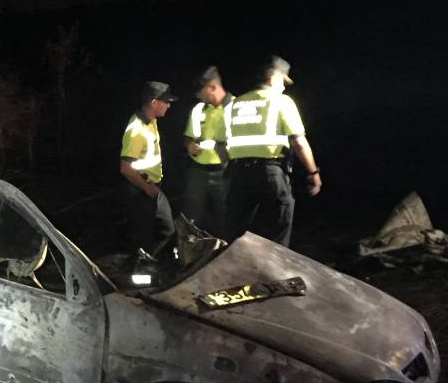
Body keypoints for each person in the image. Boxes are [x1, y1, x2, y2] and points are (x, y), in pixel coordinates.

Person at [222, 56, 323, 247]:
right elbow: (298, 141)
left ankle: (231, 272)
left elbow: (223, 143)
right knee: (279, 226)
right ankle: (273, 273)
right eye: (283, 81)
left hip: (238, 175)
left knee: (234, 232)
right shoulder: (281, 101)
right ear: (273, 78)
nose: (284, 87)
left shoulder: (235, 104)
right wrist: (313, 173)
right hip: (270, 174)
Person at [119, 81, 177, 258]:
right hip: (141, 191)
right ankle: (138, 275)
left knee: (168, 229)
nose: (169, 105)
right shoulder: (136, 129)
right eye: (165, 101)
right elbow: (125, 168)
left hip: (153, 189)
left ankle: (150, 263)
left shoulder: (151, 121)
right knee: (141, 238)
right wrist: (146, 187)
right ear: (153, 102)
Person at [182, 66, 232, 237]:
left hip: (226, 172)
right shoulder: (198, 109)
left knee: (227, 217)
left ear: (212, 87)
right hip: (198, 172)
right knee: (191, 218)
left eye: (200, 91)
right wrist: (189, 146)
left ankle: (226, 255)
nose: (197, 96)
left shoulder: (236, 107)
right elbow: (188, 137)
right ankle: (188, 254)